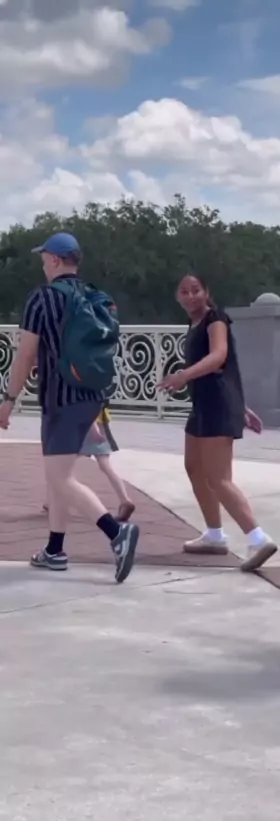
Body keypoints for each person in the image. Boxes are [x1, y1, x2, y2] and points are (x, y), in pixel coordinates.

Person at [0, 232, 139, 582]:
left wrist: (8, 400)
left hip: (60, 398)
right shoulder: (94, 295)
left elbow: (25, 355)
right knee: (60, 475)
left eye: (44, 258)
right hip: (91, 395)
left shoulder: (42, 299)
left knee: (59, 479)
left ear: (55, 260)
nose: (42, 265)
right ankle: (55, 550)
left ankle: (116, 533)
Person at [158, 274, 277, 572]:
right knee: (194, 467)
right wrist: (242, 407)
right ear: (177, 296)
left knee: (219, 478)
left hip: (216, 406)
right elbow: (226, 371)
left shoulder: (215, 319)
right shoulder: (193, 323)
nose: (190, 296)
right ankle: (214, 535)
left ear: (206, 291)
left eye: (195, 290)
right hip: (205, 404)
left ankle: (258, 538)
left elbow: (219, 356)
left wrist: (183, 376)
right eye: (184, 291)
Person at [43, 403, 136, 522]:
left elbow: (86, 404)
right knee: (106, 466)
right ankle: (125, 499)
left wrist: (93, 427)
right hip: (100, 424)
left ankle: (52, 501)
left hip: (87, 428)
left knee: (59, 466)